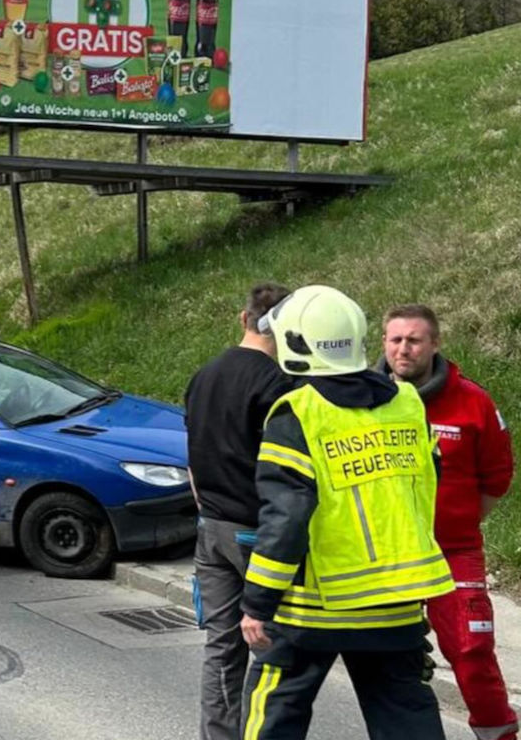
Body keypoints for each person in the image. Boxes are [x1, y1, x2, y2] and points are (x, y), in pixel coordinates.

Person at [239, 285, 454, 740]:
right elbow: (424, 486)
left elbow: (286, 518)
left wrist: (258, 603)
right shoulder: (408, 404)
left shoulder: (298, 414)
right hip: (395, 602)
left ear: (299, 343)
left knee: (273, 709)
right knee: (407, 716)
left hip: (314, 608)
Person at [377, 304, 517, 740]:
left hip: (453, 552)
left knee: (472, 652)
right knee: (386, 660)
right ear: (383, 343)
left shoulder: (473, 402)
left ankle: (498, 734)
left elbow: (497, 477)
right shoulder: (362, 398)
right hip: (386, 555)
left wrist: (459, 522)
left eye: (414, 340)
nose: (404, 349)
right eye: (395, 339)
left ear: (435, 344)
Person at [183, 282, 292, 740]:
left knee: (222, 648)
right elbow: (286, 474)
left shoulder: (204, 374)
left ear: (244, 319)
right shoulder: (278, 385)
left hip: (211, 528)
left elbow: (191, 457)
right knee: (273, 648)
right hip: (256, 532)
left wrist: (207, 510)